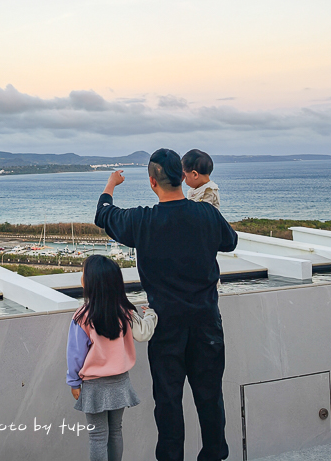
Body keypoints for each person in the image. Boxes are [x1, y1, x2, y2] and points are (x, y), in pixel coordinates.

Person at [94, 149, 238, 461]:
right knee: (210, 398)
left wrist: (110, 184)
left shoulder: (142, 220)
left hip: (166, 326)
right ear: (182, 177)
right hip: (206, 323)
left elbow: (103, 215)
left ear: (152, 182)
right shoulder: (207, 215)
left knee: (169, 404)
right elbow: (230, 242)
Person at [67, 254, 157, 461]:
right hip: (119, 382)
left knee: (97, 436)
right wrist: (151, 315)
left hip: (94, 385)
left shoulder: (82, 316)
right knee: (116, 430)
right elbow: (143, 333)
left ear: (89, 282)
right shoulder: (125, 312)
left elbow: (75, 355)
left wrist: (73, 382)